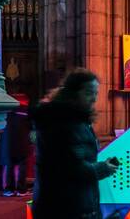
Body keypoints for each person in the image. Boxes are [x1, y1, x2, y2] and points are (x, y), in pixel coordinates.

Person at [31, 69, 119, 219]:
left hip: (75, 202)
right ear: (73, 93)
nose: (94, 99)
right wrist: (102, 168)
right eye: (89, 93)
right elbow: (68, 168)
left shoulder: (77, 119)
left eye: (96, 93)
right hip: (62, 206)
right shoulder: (60, 121)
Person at [0, 93, 32, 197]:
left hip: (7, 142)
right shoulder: (25, 111)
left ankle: (8, 189)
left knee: (8, 164)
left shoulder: (4, 111)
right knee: (21, 165)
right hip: (22, 141)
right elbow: (31, 126)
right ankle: (21, 190)